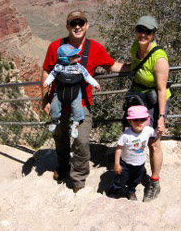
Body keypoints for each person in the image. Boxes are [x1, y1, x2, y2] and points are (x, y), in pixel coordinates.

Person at [41, 11, 125, 193]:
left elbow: (112, 65)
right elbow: (47, 71)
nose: (77, 26)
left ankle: (78, 177)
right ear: (67, 26)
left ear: (87, 25)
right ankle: (63, 166)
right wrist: (45, 98)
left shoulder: (95, 48)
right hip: (59, 100)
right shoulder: (55, 47)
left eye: (81, 23)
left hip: (82, 103)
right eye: (73, 23)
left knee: (81, 139)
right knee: (60, 136)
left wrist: (135, 64)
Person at [120, 15, 169, 202]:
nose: (143, 34)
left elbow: (162, 89)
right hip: (138, 98)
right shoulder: (135, 48)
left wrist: (161, 117)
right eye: (140, 30)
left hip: (156, 102)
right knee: (132, 135)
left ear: (153, 34)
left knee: (153, 141)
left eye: (147, 32)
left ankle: (154, 182)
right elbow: (131, 67)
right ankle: (135, 172)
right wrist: (105, 67)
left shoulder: (159, 58)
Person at [43, 43, 101, 138]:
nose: (77, 56)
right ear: (65, 59)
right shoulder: (58, 67)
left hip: (75, 92)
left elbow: (87, 76)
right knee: (54, 105)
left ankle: (75, 124)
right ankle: (54, 120)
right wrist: (47, 82)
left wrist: (95, 84)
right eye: (73, 55)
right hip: (60, 92)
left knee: (77, 108)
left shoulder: (79, 67)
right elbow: (52, 75)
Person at [109, 105, 157, 201]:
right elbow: (118, 149)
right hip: (126, 163)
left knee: (135, 180)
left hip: (140, 164)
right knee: (121, 179)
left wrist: (159, 131)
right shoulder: (126, 135)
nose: (139, 122)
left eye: (142, 119)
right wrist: (117, 163)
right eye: (135, 120)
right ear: (130, 121)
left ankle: (131, 191)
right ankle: (114, 190)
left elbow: (156, 135)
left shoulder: (149, 131)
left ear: (147, 120)